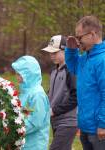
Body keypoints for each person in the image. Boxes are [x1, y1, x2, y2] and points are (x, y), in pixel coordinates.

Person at [65, 15, 105, 150]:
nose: (78, 41)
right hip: (85, 127)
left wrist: (103, 124)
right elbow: (73, 67)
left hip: (99, 129)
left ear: (92, 34)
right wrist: (71, 49)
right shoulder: (85, 58)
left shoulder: (102, 60)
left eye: (79, 37)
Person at [42, 35, 77, 150]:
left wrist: (55, 110)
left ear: (65, 50)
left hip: (68, 122)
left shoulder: (71, 71)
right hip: (56, 121)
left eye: (55, 52)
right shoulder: (54, 71)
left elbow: (75, 97)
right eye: (50, 52)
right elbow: (52, 93)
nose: (52, 55)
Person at [11, 55, 50, 150]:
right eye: (16, 74)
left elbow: (36, 122)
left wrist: (16, 130)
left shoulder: (37, 94)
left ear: (28, 74)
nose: (17, 77)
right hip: (24, 142)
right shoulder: (25, 91)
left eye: (19, 74)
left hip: (35, 144)